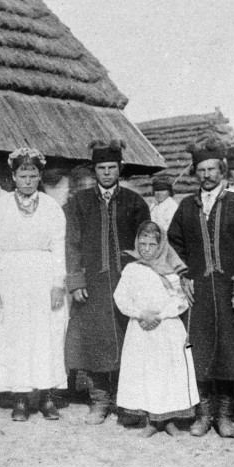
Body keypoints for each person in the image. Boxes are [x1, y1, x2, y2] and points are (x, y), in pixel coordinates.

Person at [168, 135, 234, 438]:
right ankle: (204, 414)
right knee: (201, 351)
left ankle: (224, 415)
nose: (207, 176)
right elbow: (174, 244)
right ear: (195, 173)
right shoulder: (186, 207)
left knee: (229, 353)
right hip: (199, 294)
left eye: (212, 169)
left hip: (229, 291)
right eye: (201, 170)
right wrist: (184, 276)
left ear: (222, 170)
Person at [65, 140, 151, 425]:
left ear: (120, 169)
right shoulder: (79, 203)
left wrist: (141, 280)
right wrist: (76, 280)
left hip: (127, 282)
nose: (106, 173)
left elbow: (146, 244)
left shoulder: (135, 203)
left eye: (111, 167)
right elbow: (72, 243)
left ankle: (126, 401)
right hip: (92, 284)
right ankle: (100, 401)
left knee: (129, 340)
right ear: (94, 171)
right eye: (100, 168)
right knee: (95, 343)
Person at [0, 147, 67, 421]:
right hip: (11, 277)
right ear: (13, 176)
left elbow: (59, 247)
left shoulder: (51, 206)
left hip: (43, 276)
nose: (28, 180)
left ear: (40, 175)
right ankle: (20, 397)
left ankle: (45, 397)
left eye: (33, 174)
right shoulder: (1, 206)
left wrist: (58, 283)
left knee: (46, 334)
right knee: (16, 335)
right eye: (23, 174)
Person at [114, 221, 198, 437]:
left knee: (168, 373)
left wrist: (159, 316)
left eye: (152, 244)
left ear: (160, 246)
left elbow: (180, 299)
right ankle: (152, 419)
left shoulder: (172, 270)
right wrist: (141, 314)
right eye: (142, 243)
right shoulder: (132, 269)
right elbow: (120, 297)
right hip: (141, 328)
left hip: (167, 328)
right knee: (147, 373)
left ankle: (168, 419)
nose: (147, 249)